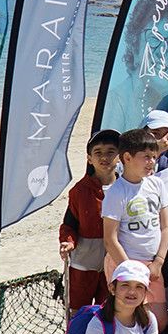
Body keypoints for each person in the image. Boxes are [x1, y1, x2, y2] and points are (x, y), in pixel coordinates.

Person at [101, 128, 168, 330]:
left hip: (152, 264)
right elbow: (110, 239)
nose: (151, 162)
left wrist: (158, 260)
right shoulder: (117, 192)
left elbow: (166, 226)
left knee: (159, 319)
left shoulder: (156, 184)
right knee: (129, 317)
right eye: (146, 157)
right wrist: (130, 270)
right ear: (127, 157)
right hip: (125, 261)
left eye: (153, 156)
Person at [59, 129, 120, 315]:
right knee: (78, 308)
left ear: (120, 156)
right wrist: (68, 241)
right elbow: (69, 224)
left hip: (116, 256)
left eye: (111, 152)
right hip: (84, 259)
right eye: (98, 153)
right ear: (89, 159)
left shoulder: (126, 187)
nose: (105, 157)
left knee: (109, 305)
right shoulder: (79, 191)